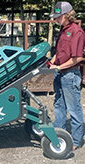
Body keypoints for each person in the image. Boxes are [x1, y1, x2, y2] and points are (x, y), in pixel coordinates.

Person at [49, 1, 85, 151]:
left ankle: (76, 140)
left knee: (74, 107)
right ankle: (59, 133)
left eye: (58, 17)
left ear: (66, 15)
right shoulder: (63, 30)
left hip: (70, 74)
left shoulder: (77, 32)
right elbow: (61, 51)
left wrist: (58, 66)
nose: (56, 19)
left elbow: (77, 58)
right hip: (60, 73)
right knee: (59, 104)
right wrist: (51, 62)